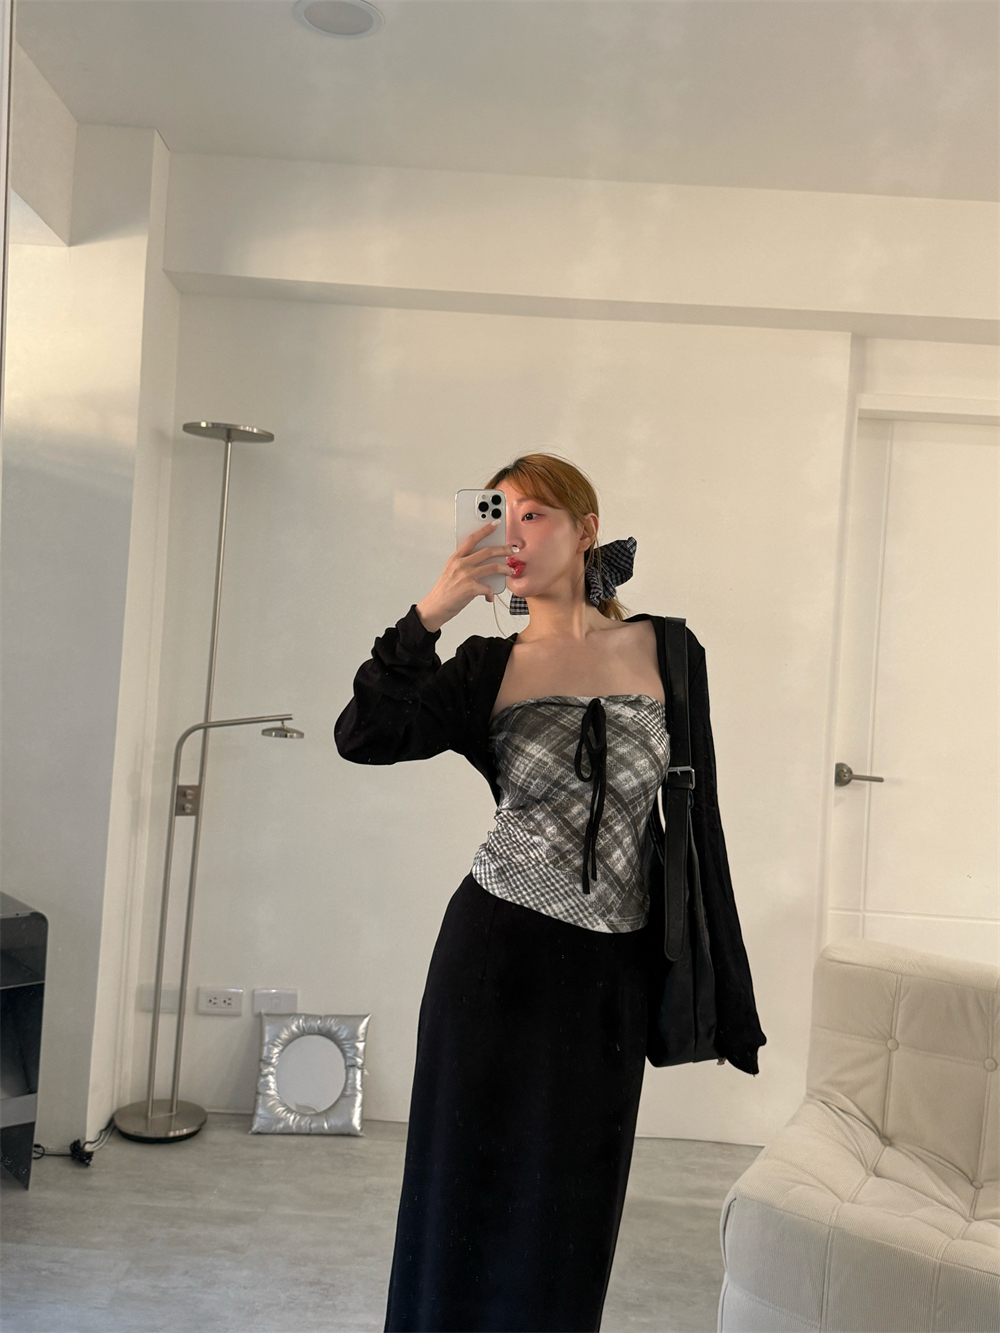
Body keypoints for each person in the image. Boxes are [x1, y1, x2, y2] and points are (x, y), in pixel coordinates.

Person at [334, 453, 765, 1333]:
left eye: (534, 514)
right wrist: (433, 612)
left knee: (572, 1214)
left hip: (611, 976)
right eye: (501, 516)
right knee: (461, 1198)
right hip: (495, 961)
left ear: (586, 528)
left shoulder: (669, 650)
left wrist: (719, 988)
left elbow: (699, 825)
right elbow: (364, 734)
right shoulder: (484, 666)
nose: (515, 535)